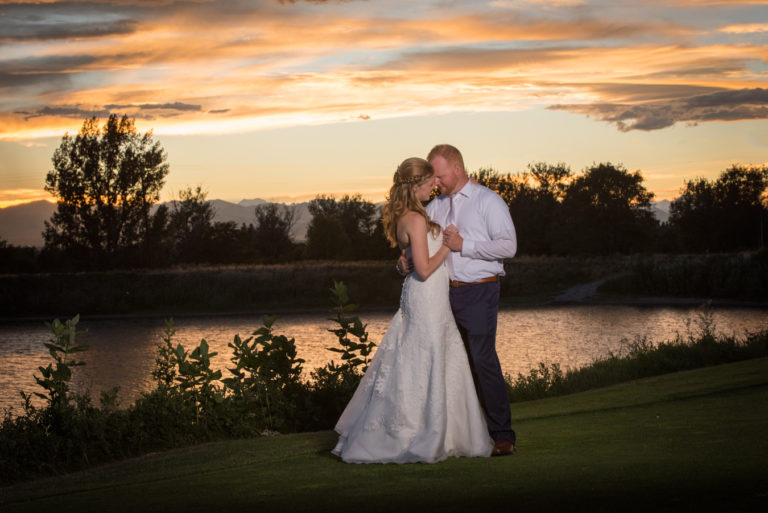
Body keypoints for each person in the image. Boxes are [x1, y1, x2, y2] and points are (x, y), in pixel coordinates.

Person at [332, 157, 494, 464]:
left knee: (418, 358)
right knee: (426, 356)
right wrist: (448, 245)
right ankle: (423, 433)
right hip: (426, 296)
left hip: (427, 298)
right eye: (430, 180)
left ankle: (442, 431)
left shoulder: (407, 216)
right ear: (416, 184)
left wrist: (399, 265)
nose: (435, 184)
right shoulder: (417, 220)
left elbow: (406, 263)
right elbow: (423, 269)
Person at [399, 144, 518, 457]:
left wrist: (465, 245)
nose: (435, 181)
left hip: (478, 290)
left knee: (482, 361)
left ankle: (503, 436)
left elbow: (508, 246)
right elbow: (417, 243)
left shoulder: (487, 201)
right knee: (451, 366)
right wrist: (403, 261)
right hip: (440, 295)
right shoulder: (435, 207)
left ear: (456, 168)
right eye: (432, 178)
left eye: (438, 175)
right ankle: (454, 434)